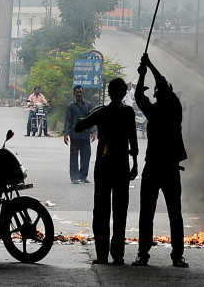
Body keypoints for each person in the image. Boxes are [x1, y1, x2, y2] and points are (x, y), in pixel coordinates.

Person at [132, 53, 189, 268]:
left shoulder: (173, 109)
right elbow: (139, 96)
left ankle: (175, 255)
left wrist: (148, 67)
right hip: (157, 167)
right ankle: (145, 253)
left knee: (173, 212)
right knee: (149, 212)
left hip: (165, 167)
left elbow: (159, 85)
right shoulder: (156, 111)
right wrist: (143, 74)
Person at [74, 78, 138, 266]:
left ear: (109, 93)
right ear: (124, 93)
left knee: (101, 211)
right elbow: (133, 141)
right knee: (120, 212)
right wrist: (134, 164)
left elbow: (79, 125)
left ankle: (102, 255)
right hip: (121, 167)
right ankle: (117, 255)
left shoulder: (101, 112)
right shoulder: (128, 113)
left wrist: (90, 114)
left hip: (103, 166)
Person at [63, 85, 95, 184]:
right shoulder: (70, 106)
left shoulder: (88, 105)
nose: (79, 94)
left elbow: (92, 119)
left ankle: (83, 176)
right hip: (74, 135)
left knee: (86, 155)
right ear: (74, 94)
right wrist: (66, 134)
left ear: (83, 93)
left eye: (80, 92)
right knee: (74, 156)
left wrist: (93, 131)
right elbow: (68, 121)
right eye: (77, 92)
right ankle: (74, 177)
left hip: (85, 135)